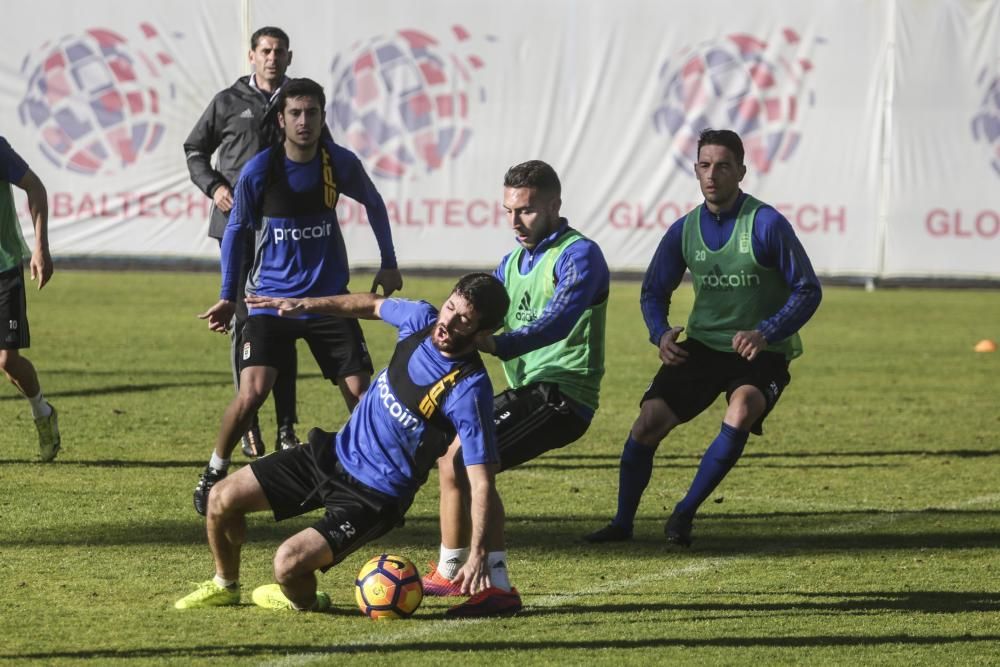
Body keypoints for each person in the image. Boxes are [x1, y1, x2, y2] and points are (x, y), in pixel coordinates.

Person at [175, 274, 521, 618]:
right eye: (450, 307)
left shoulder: (469, 390)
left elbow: (482, 483)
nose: (448, 321)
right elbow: (370, 304)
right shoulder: (420, 320)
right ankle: (225, 586)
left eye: (463, 320)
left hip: (373, 497)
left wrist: (477, 553)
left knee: (288, 564)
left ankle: (307, 603)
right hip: (333, 454)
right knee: (219, 498)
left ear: (483, 334)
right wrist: (306, 305)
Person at [585, 128, 822, 547]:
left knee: (743, 407)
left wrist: (767, 332)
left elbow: (808, 289)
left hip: (758, 351)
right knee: (646, 425)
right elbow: (654, 291)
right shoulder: (684, 229)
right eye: (705, 165)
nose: (713, 174)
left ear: (742, 171)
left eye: (723, 166)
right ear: (696, 170)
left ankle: (684, 515)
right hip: (703, 346)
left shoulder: (765, 224)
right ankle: (622, 524)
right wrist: (660, 334)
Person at [193, 77, 402, 517]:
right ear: (281, 119)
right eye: (295, 113)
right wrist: (228, 296)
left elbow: (375, 202)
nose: (304, 121)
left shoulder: (337, 163)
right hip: (269, 303)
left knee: (362, 395)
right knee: (253, 392)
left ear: (323, 118)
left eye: (312, 113)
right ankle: (214, 470)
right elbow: (235, 232)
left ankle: (382, 485)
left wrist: (389, 261)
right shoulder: (260, 170)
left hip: (328, 302)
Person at [420, 160, 609, 598]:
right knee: (454, 461)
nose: (515, 222)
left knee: (463, 462)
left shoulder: (580, 255)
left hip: (562, 395)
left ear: (554, 205)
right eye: (508, 211)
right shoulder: (512, 262)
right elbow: (480, 310)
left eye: (525, 211)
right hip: (530, 390)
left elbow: (558, 322)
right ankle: (461, 572)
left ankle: (489, 582)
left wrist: (500, 345)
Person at [184, 26, 299, 458]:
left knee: (284, 322)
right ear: (251, 56)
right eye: (265, 50)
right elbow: (194, 149)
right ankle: (248, 421)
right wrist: (214, 187)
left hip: (285, 231)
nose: (272, 57)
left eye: (279, 51)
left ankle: (287, 426)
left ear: (289, 57)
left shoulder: (298, 102)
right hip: (236, 228)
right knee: (243, 321)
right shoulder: (228, 101)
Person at [0, 137, 59, 462]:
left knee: (8, 362)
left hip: (4, 267)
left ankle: (43, 412)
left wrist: (40, 247)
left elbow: (35, 187)